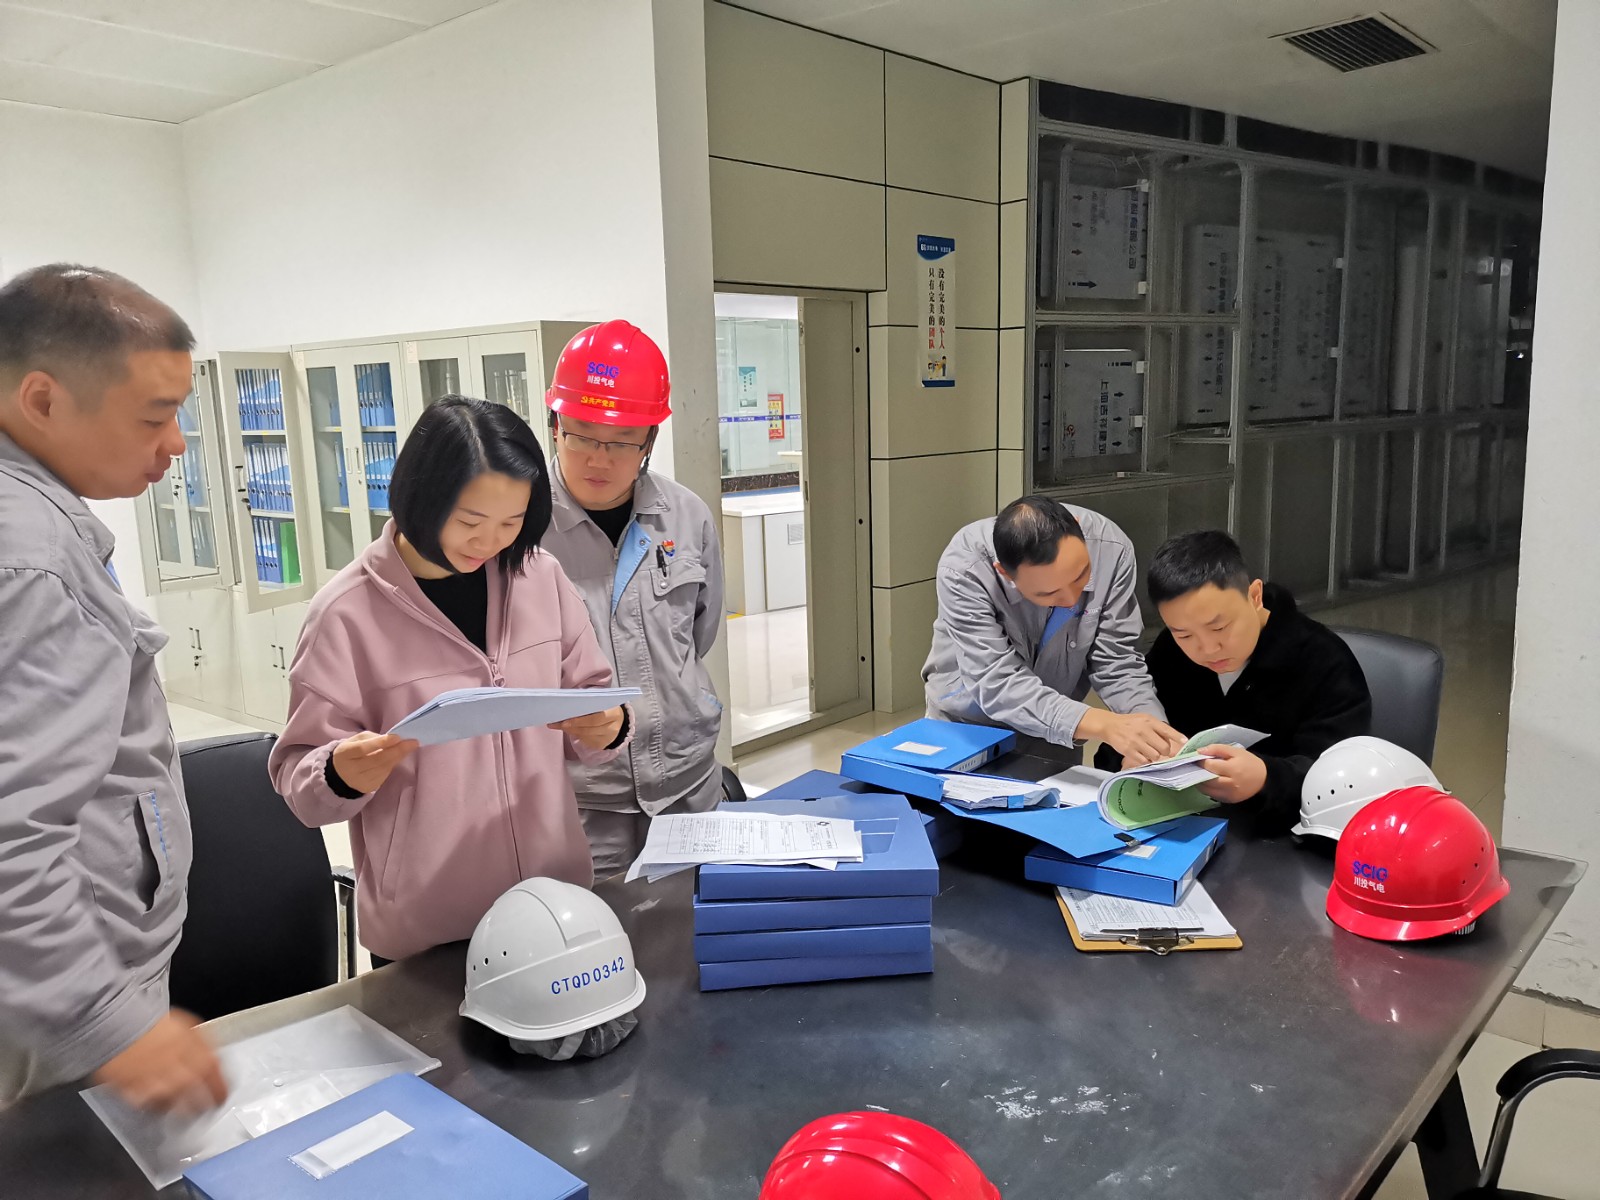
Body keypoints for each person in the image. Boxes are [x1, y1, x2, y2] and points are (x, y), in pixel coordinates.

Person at [268, 396, 630, 963]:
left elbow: (593, 698)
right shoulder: (345, 613)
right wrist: (339, 773)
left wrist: (608, 728)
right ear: (423, 496)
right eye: (470, 522)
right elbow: (299, 777)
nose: (490, 543)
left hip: (552, 906)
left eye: (512, 522)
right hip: (428, 930)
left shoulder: (540, 578)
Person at [0, 263, 225, 1110]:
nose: (176, 443)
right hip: (54, 1008)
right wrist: (105, 1019)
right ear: (43, 400)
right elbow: (11, 833)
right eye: (155, 416)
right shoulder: (33, 557)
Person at [537, 321, 725, 877]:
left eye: (621, 442)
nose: (600, 459)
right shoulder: (520, 531)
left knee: (697, 922)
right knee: (596, 929)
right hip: (583, 800)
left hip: (689, 781)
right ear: (554, 427)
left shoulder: (686, 516)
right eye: (581, 436)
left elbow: (701, 631)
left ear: (649, 441)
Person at [1133, 529, 1371, 833]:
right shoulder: (1170, 651)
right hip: (1182, 830)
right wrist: (1133, 758)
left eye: (1219, 628)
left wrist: (1266, 778)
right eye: (1185, 635)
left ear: (1255, 596)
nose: (1207, 649)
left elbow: (1345, 780)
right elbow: (1130, 735)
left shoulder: (1324, 660)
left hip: (1284, 838)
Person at [923, 494, 1183, 767]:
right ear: (1004, 573)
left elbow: (1117, 661)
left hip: (1059, 721)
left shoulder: (1111, 549)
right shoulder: (966, 568)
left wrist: (1156, 740)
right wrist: (1103, 724)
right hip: (968, 726)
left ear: (1078, 526)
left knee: (1058, 791)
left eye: (1081, 575)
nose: (1071, 600)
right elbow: (996, 681)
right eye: (1047, 593)